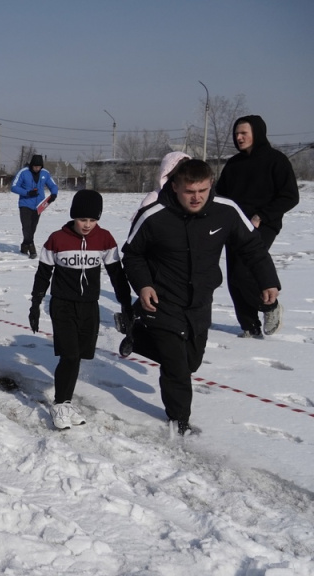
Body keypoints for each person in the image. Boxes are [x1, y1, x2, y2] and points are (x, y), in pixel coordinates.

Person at [122, 159, 280, 436]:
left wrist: (268, 281)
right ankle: (179, 421)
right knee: (177, 367)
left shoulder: (226, 211)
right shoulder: (154, 214)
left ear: (211, 186)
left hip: (200, 301)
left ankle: (137, 334)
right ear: (174, 187)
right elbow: (132, 254)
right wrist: (144, 285)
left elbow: (253, 247)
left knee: (191, 361)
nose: (197, 197)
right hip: (163, 300)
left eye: (203, 190)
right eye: (189, 191)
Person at [28, 190, 133, 430]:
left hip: (89, 306)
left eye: (92, 220)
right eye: (82, 219)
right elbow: (43, 273)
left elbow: (117, 274)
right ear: (73, 217)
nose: (87, 225)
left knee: (81, 356)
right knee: (70, 355)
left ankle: (66, 401)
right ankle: (60, 404)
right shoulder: (57, 239)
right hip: (63, 305)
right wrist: (35, 303)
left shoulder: (105, 239)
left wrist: (126, 304)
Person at [215, 115, 299, 337]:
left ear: (257, 133)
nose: (239, 137)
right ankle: (249, 327)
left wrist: (262, 215)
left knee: (244, 272)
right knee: (234, 277)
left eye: (244, 133)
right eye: (236, 134)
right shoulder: (233, 164)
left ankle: (270, 307)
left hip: (263, 224)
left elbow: (290, 196)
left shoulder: (276, 160)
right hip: (234, 225)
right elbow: (220, 196)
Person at [11, 154, 59, 258]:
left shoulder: (45, 173)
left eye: (39, 167)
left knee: (33, 227)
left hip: (39, 205)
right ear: (31, 165)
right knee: (26, 226)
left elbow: (53, 185)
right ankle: (31, 246)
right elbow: (14, 187)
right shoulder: (23, 172)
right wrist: (27, 193)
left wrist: (54, 194)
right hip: (25, 203)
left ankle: (25, 244)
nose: (37, 169)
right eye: (35, 166)